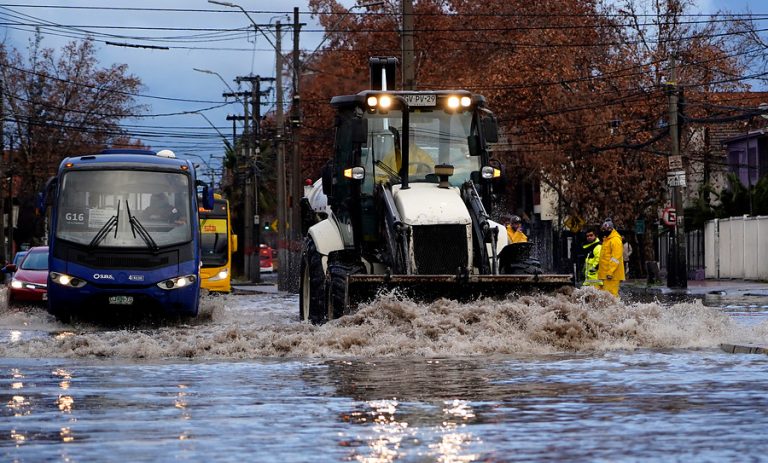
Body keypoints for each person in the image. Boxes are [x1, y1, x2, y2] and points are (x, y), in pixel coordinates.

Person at [597, 217, 624, 297]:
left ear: (610, 229)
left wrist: (610, 272)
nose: (603, 232)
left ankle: (617, 309)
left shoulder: (615, 240)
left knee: (611, 296)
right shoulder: (607, 240)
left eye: (604, 230)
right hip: (606, 274)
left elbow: (615, 258)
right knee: (606, 297)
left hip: (611, 275)